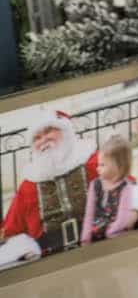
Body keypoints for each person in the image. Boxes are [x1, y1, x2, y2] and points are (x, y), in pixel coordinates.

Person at [0, 106, 99, 264]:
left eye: (48, 131)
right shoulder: (28, 185)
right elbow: (11, 230)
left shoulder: (93, 161)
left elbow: (127, 189)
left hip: (98, 249)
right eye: (37, 138)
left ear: (65, 131)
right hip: (51, 263)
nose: (43, 140)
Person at [79, 136, 138, 244]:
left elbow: (122, 218)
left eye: (102, 165)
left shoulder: (126, 187)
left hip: (116, 232)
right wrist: (85, 237)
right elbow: (89, 213)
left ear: (118, 166)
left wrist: (110, 234)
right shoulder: (95, 184)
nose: (97, 168)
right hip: (97, 231)